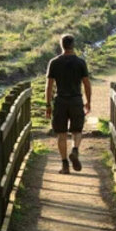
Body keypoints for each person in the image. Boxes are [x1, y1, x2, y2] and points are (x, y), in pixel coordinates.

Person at [45, 34, 92, 174]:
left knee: (61, 134)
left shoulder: (54, 62)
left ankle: (65, 165)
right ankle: (75, 150)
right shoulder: (80, 62)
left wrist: (48, 105)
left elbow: (49, 86)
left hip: (60, 101)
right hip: (76, 100)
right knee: (77, 131)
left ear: (61, 45)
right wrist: (88, 101)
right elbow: (87, 84)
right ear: (73, 45)